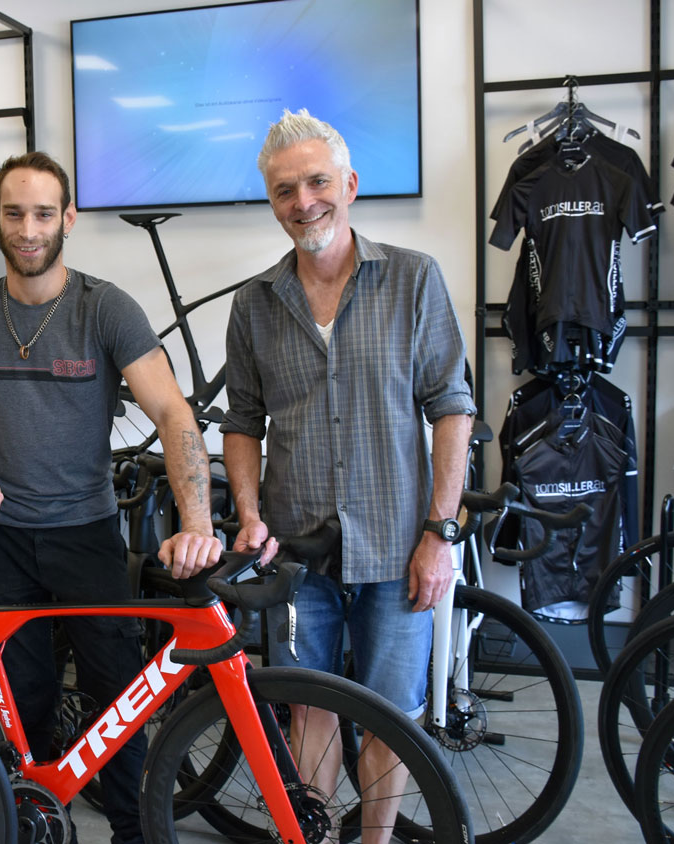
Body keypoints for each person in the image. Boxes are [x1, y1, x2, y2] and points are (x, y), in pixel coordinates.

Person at [0, 150, 222, 844]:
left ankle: (130, 829)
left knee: (114, 694)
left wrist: (201, 520)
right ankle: (25, 819)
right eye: (15, 214)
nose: (28, 230)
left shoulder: (105, 308)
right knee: (17, 701)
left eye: (44, 214)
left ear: (68, 220)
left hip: (86, 531)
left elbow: (174, 414)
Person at [221, 109, 474, 843]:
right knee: (310, 709)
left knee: (388, 714)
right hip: (296, 553)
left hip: (399, 546)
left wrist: (440, 532)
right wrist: (248, 512)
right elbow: (242, 423)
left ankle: (375, 839)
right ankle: (314, 836)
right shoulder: (255, 304)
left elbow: (452, 408)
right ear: (271, 202)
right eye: (284, 191)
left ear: (351, 185)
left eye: (317, 182)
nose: (304, 202)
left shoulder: (414, 281)